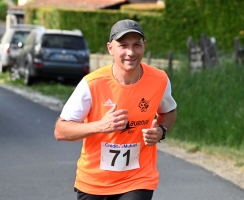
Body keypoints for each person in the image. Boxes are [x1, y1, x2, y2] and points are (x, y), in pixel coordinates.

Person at [54, 19, 177, 200]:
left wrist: (161, 130)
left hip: (138, 178)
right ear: (110, 48)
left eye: (136, 45)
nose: (130, 52)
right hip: (94, 181)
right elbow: (61, 130)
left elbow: (169, 111)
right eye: (123, 46)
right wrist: (100, 126)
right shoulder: (92, 84)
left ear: (144, 46)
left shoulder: (159, 80)